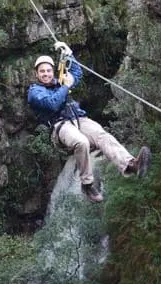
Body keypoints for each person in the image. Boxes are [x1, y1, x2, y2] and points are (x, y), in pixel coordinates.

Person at [27, 41, 150, 203]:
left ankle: (131, 164)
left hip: (78, 119)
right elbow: (52, 104)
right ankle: (87, 184)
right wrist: (65, 86)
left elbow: (77, 73)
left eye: (48, 70)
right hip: (60, 127)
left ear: (53, 71)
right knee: (81, 142)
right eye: (42, 71)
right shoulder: (35, 92)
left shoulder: (61, 82)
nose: (46, 74)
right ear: (37, 74)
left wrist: (69, 55)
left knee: (101, 135)